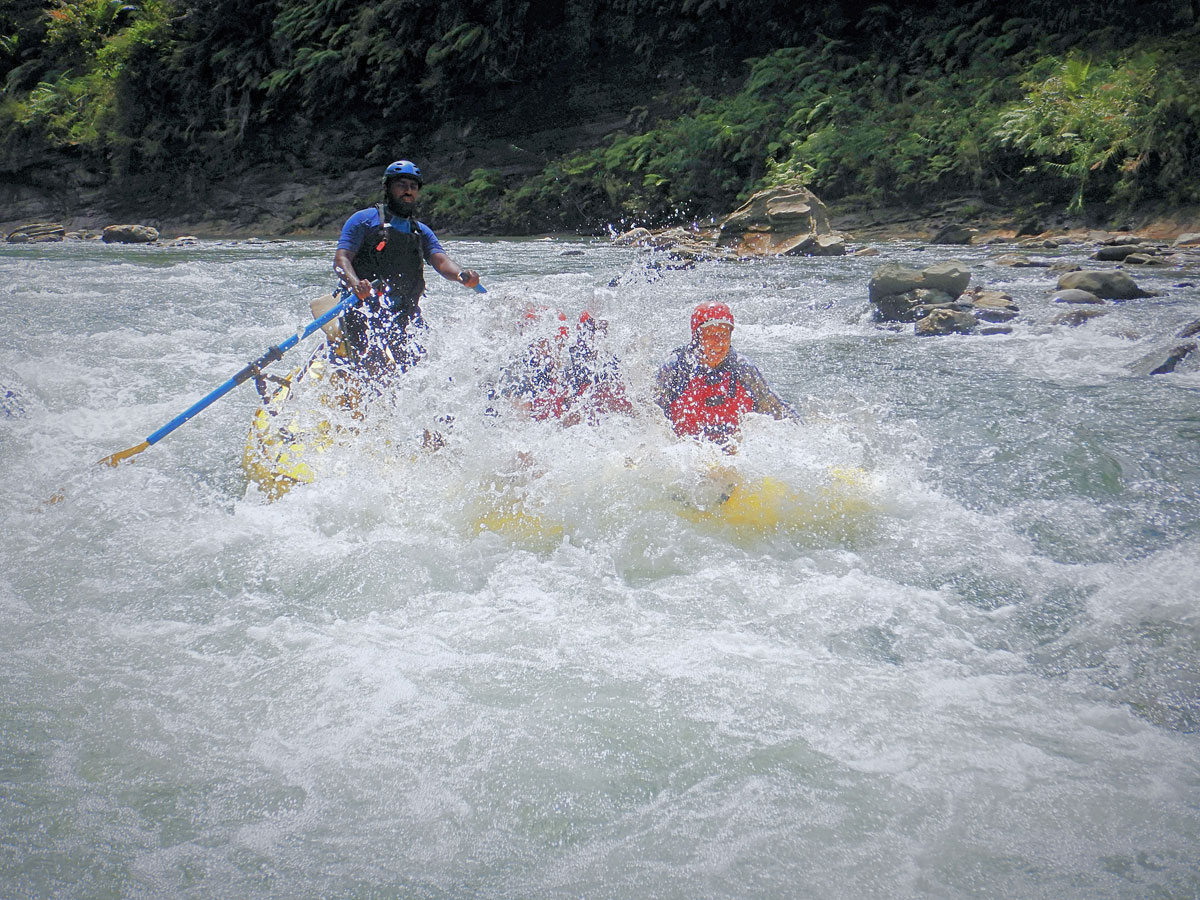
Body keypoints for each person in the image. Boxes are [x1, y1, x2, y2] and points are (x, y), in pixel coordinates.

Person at [331, 159, 481, 380]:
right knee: (373, 367)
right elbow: (341, 259)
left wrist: (461, 275)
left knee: (421, 369)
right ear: (388, 188)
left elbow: (441, 261)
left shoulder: (420, 231)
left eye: (413, 187)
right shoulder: (363, 220)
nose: (408, 191)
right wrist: (355, 284)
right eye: (402, 185)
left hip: (404, 313)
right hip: (362, 310)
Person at [654, 301, 799, 448]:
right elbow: (650, 417)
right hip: (685, 454)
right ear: (697, 337)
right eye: (711, 334)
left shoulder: (742, 369)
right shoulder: (676, 369)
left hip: (734, 452)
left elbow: (778, 411)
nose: (719, 342)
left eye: (724, 335)